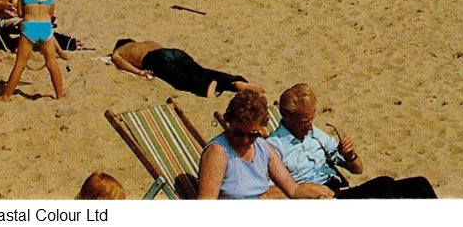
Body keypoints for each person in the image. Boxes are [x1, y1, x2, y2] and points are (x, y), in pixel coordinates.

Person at [268, 83, 437, 199]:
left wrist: (349, 156)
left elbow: (358, 170)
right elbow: (266, 193)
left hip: (343, 191)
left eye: (312, 119)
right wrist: (304, 191)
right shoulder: (274, 146)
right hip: (323, 199)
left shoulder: (315, 134)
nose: (310, 126)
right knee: (384, 186)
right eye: (305, 121)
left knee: (418, 185)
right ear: (287, 116)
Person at [198, 90, 334, 199]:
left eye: (252, 134)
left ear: (261, 128)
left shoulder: (262, 147)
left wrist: (319, 194)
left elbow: (293, 189)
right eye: (238, 133)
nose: (245, 140)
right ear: (229, 124)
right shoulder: (218, 153)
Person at [0, 0, 68, 100]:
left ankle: (6, 95)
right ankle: (59, 94)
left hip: (30, 27)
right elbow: (51, 13)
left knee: (20, 64)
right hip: (45, 28)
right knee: (52, 63)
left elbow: (20, 13)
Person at [110, 39, 262, 98]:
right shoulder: (147, 42)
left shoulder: (119, 51)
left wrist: (139, 72)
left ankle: (205, 87)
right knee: (201, 71)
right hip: (173, 52)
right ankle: (234, 83)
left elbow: (121, 62)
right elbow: (161, 49)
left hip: (153, 58)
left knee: (178, 79)